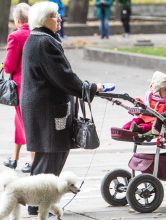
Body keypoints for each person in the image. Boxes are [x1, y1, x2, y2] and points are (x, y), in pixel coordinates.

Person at [21, 2, 104, 215]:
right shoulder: (45, 42)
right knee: (52, 153)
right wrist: (90, 88)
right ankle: (38, 203)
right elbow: (62, 76)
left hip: (43, 107)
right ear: (44, 20)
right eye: (55, 16)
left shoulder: (38, 39)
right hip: (49, 110)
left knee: (48, 154)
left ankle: (36, 202)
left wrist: (85, 87)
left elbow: (60, 74)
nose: (60, 19)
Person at [3, 3, 35, 173]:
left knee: (26, 124)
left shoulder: (16, 36)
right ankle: (14, 158)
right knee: (20, 122)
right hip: (36, 85)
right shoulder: (38, 33)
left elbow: (8, 66)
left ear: (18, 20)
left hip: (21, 87)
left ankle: (32, 161)